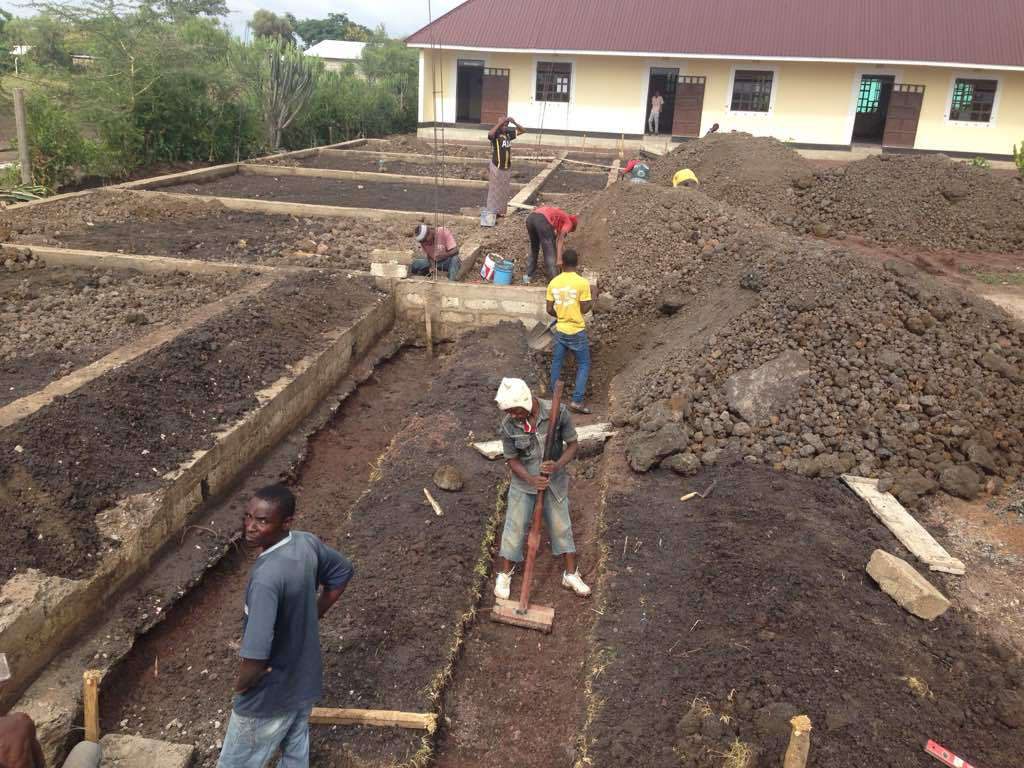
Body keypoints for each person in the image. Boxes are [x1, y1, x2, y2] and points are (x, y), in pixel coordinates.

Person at [217, 485, 354, 768]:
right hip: (304, 679)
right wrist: (311, 616)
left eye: (263, 521)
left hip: (269, 694)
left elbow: (255, 657)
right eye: (248, 517)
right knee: (294, 752)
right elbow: (342, 572)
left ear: (287, 522)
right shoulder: (305, 543)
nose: (250, 527)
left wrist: (241, 688)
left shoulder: (267, 578)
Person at [493, 378, 591, 600]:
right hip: (523, 483)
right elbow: (512, 460)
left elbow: (573, 445)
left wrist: (556, 465)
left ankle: (571, 574)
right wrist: (530, 478)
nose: (513, 415)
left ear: (526, 402)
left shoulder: (558, 412)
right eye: (509, 411)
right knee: (514, 528)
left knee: (561, 527)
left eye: (516, 410)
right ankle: (505, 573)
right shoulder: (508, 425)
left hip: (553, 481)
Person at [546, 249, 593, 414]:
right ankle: (577, 401)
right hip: (576, 331)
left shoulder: (554, 282)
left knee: (557, 362)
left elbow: (549, 309)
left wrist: (560, 316)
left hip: (560, 330)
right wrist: (593, 298)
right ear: (577, 263)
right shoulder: (582, 283)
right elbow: (585, 308)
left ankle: (553, 398)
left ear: (563, 263)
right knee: (584, 364)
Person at [524, 205, 577, 284]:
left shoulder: (559, 215)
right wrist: (559, 259)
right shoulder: (569, 223)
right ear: (572, 226)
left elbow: (557, 239)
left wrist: (560, 252)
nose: (568, 232)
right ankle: (554, 281)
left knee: (534, 248)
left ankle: (528, 276)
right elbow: (560, 240)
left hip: (530, 219)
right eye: (570, 231)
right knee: (549, 253)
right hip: (542, 220)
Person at [486, 116, 526, 215]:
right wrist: (499, 123)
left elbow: (523, 130)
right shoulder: (496, 135)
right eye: (503, 125)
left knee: (503, 191)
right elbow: (489, 134)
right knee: (494, 191)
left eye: (506, 125)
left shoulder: (508, 135)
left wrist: (514, 122)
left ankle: (500, 212)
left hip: (506, 167)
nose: (505, 127)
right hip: (497, 167)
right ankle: (491, 212)